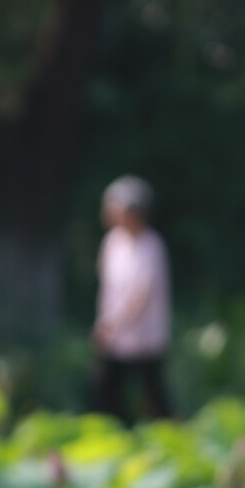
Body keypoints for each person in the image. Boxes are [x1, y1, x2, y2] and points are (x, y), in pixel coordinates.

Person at [90, 175, 172, 424]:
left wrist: (113, 323)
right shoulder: (112, 242)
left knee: (155, 398)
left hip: (144, 337)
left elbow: (142, 294)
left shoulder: (151, 246)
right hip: (116, 337)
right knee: (104, 394)